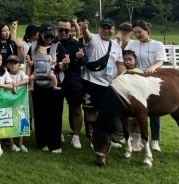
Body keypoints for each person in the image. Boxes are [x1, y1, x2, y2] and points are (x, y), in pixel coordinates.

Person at [79, 18, 125, 140]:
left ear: (113, 30)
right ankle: (94, 135)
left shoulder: (116, 46)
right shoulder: (94, 38)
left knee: (107, 112)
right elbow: (87, 36)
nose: (106, 30)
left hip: (108, 84)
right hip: (90, 82)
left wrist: (127, 77)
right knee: (91, 111)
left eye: (109, 28)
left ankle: (106, 136)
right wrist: (84, 29)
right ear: (99, 28)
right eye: (103, 27)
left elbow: (120, 65)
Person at [125, 19, 168, 152]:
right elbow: (126, 56)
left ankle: (155, 140)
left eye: (140, 32)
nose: (138, 35)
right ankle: (135, 137)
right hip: (137, 79)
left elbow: (161, 60)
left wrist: (152, 67)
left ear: (147, 30)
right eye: (135, 32)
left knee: (154, 112)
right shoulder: (132, 44)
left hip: (152, 79)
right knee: (135, 110)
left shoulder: (157, 44)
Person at [26, 22, 68, 153]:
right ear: (41, 35)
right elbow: (29, 65)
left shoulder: (58, 47)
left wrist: (65, 64)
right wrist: (28, 79)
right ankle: (42, 142)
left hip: (53, 85)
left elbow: (61, 65)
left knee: (54, 115)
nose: (49, 38)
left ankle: (55, 144)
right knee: (40, 114)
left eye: (51, 36)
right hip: (38, 85)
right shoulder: (33, 48)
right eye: (46, 36)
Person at [56, 18, 86, 149]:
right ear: (57, 29)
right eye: (61, 29)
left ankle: (76, 136)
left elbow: (84, 61)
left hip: (73, 79)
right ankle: (57, 133)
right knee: (56, 109)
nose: (63, 32)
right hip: (56, 79)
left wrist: (80, 58)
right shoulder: (53, 43)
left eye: (66, 30)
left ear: (70, 30)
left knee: (76, 109)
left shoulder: (76, 43)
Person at [5, 54, 30, 152]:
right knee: (9, 121)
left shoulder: (21, 73)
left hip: (20, 102)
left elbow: (27, 80)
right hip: (9, 102)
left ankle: (20, 143)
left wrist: (15, 85)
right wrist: (11, 86)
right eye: (11, 64)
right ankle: (11, 143)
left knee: (22, 120)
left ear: (19, 65)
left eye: (15, 63)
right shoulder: (5, 73)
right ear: (7, 65)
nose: (13, 66)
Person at [122, 49, 144, 151]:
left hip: (139, 102)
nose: (127, 62)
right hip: (126, 102)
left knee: (138, 122)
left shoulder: (140, 72)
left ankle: (136, 142)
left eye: (130, 59)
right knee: (128, 122)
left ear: (135, 60)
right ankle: (129, 138)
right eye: (124, 60)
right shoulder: (121, 72)